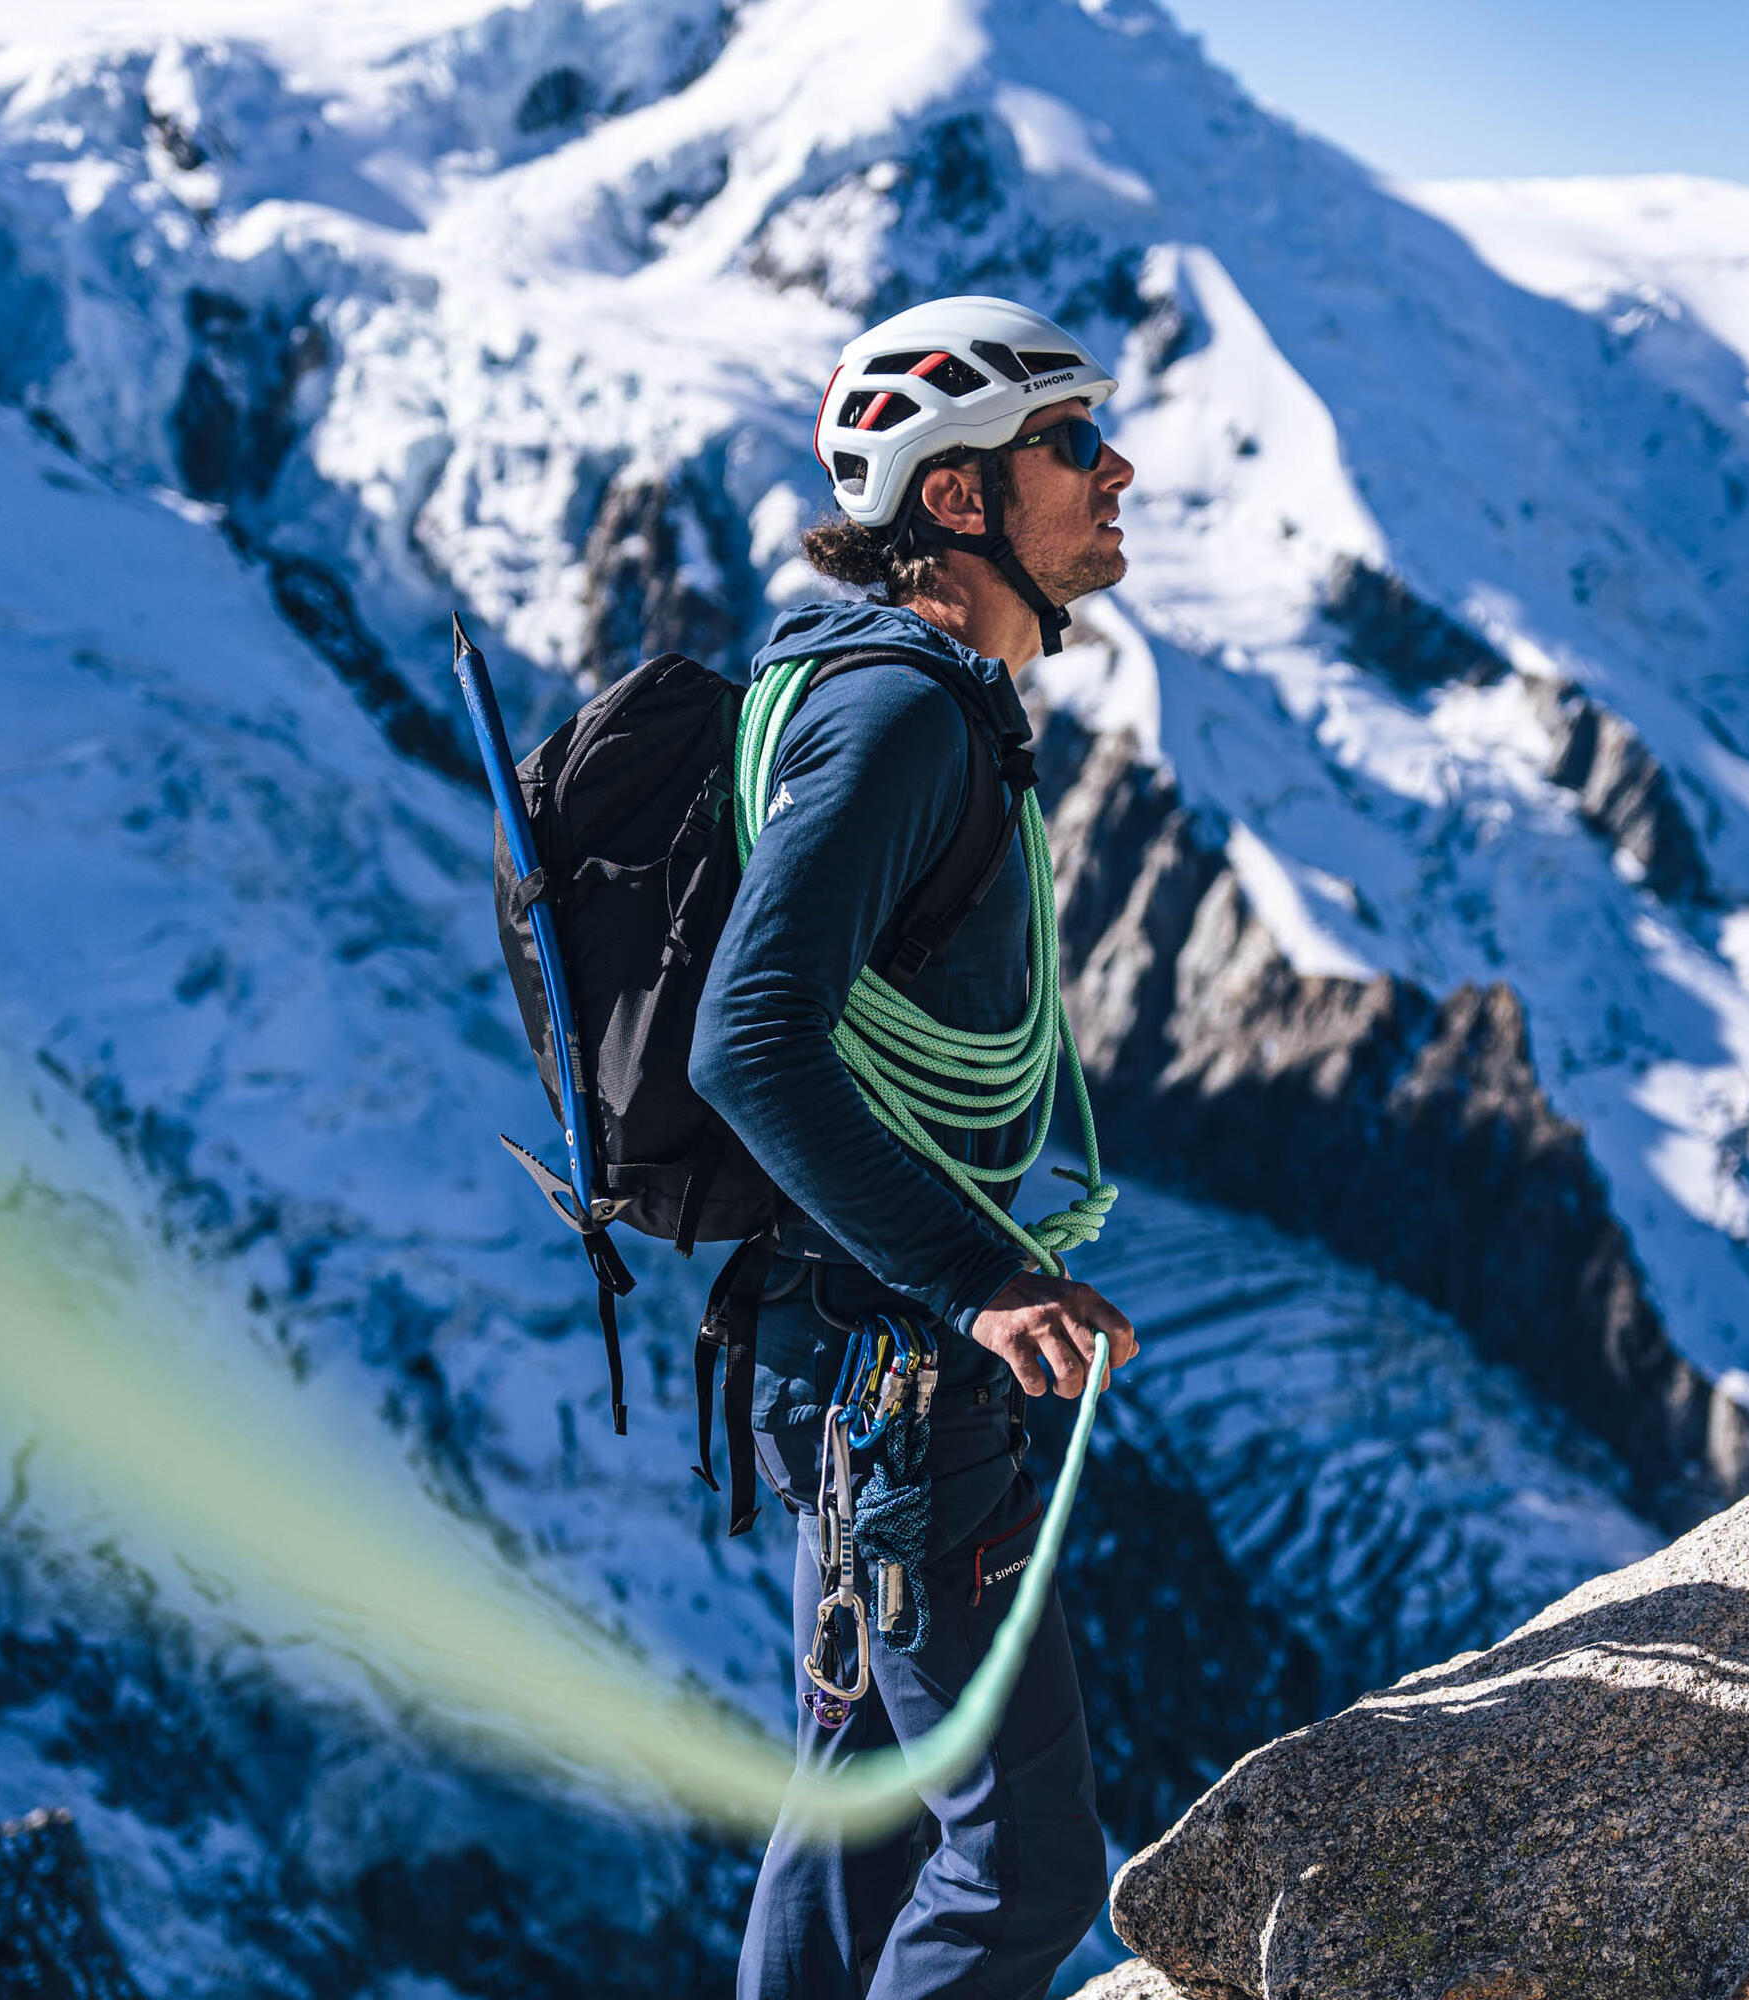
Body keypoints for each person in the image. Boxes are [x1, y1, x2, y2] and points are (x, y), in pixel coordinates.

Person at [691, 295, 1145, 2000]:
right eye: (1069, 445)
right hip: (898, 1378)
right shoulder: (903, 720)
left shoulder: (892, 695)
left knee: (864, 1816)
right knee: (1023, 1875)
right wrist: (976, 1278)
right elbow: (749, 1040)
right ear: (955, 502)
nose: (1116, 471)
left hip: (850, 1359)